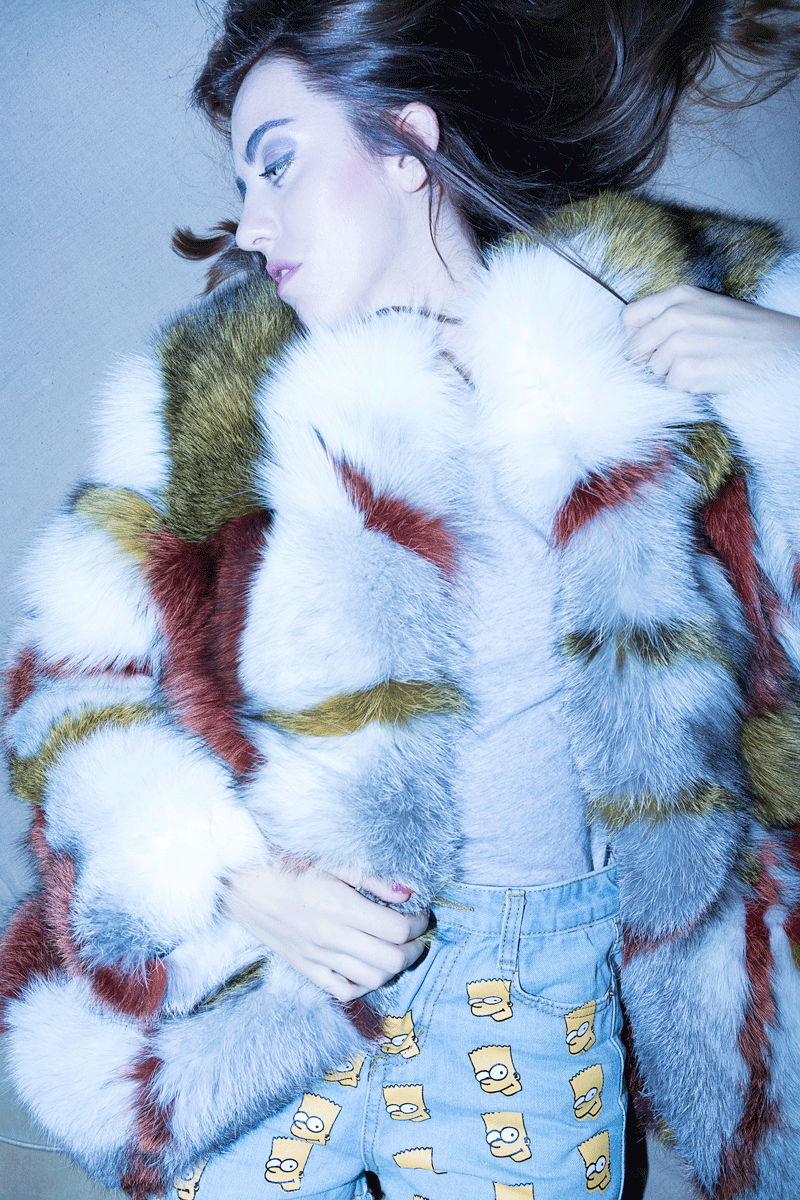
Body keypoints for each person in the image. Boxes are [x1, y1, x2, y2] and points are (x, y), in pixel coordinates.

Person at [1, 2, 800, 1199]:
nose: (251, 222)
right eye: (242, 183)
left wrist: (791, 382)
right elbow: (61, 690)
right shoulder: (206, 396)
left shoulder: (662, 338)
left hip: (527, 1005)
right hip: (266, 998)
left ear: (404, 145)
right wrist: (227, 877)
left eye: (277, 163)